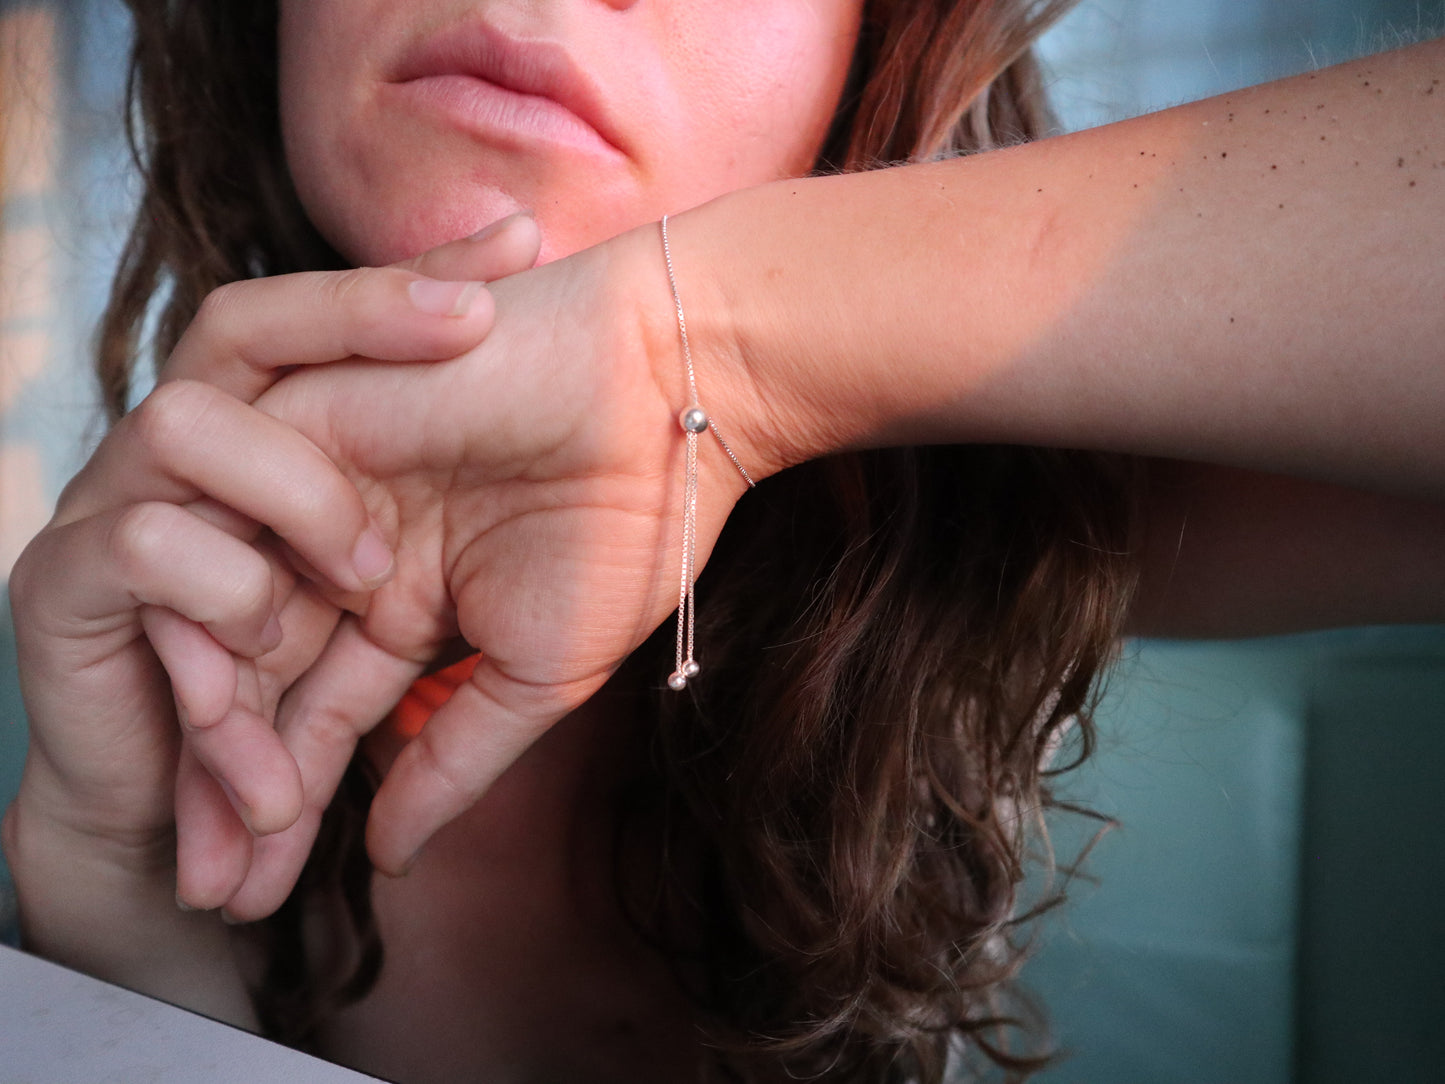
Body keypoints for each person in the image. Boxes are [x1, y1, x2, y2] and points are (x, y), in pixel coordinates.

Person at [5, 0, 1444, 1081]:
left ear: (879, 44)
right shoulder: (97, 689)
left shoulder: (1008, 513)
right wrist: (122, 935)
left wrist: (697, 336)